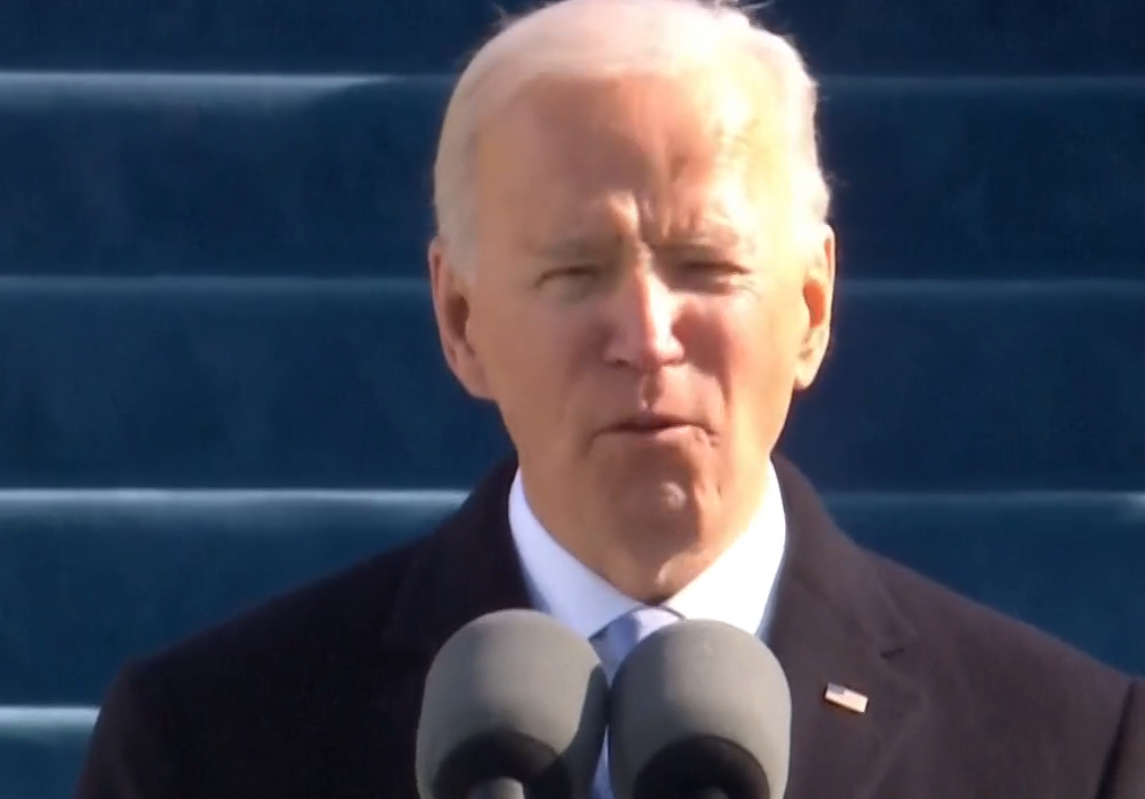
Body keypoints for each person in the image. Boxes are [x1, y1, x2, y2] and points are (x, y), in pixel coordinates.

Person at [75, 0, 1144, 797]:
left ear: (811, 307)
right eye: (574, 272)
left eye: (706, 267)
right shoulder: (208, 743)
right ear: (459, 318)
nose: (645, 336)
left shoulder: (1067, 751)